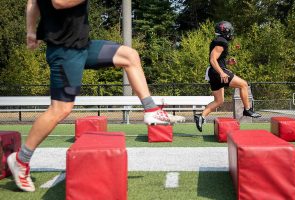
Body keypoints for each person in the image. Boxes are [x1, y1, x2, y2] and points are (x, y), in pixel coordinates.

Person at [7, 0, 185, 192]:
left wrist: (31, 31)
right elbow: (58, 2)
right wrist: (31, 31)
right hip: (64, 52)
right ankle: (20, 160)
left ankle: (151, 109)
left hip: (83, 47)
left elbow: (32, 2)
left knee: (130, 56)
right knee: (61, 109)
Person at [194, 21, 261, 132]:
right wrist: (221, 72)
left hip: (213, 73)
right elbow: (212, 59)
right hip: (217, 73)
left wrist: (228, 62)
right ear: (225, 31)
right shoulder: (221, 41)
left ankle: (201, 116)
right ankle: (248, 109)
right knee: (244, 84)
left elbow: (218, 60)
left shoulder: (219, 41)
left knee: (219, 101)